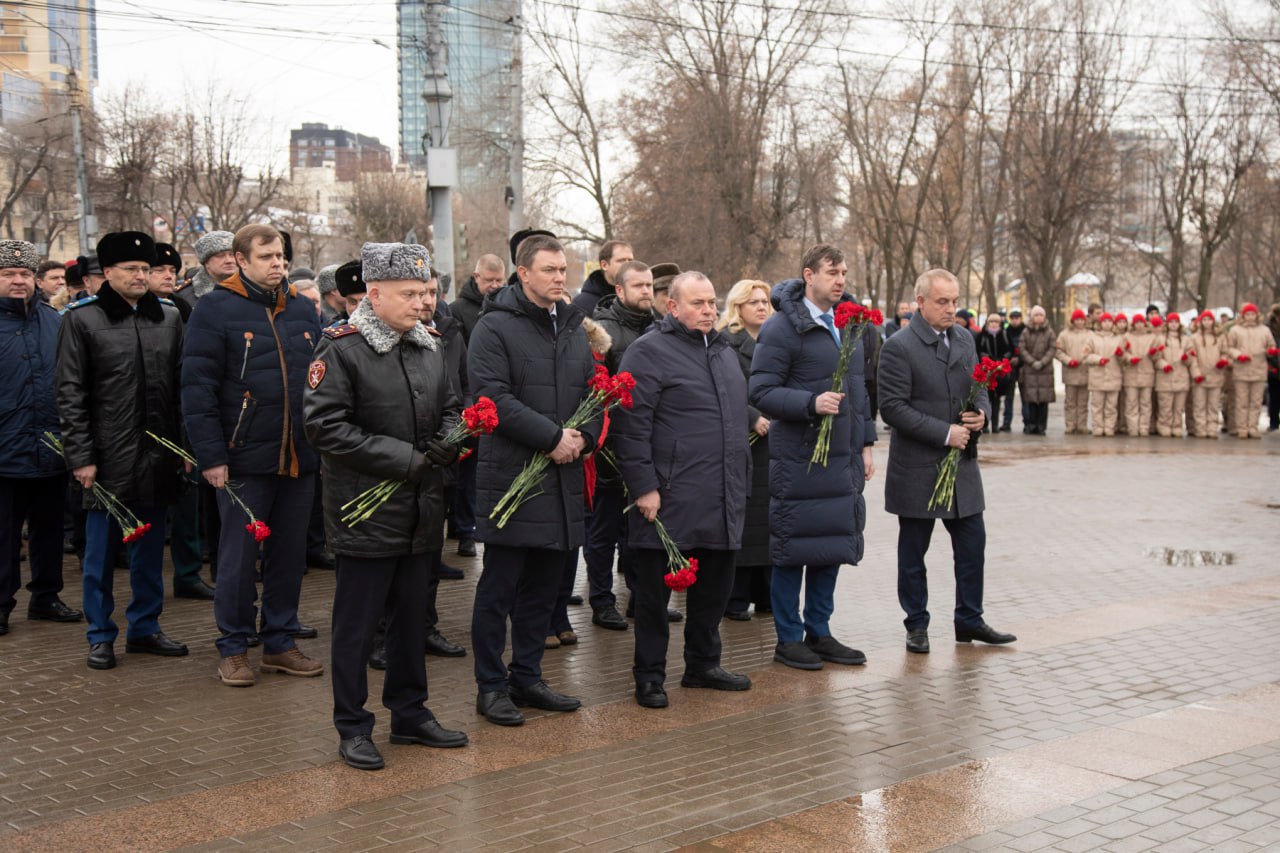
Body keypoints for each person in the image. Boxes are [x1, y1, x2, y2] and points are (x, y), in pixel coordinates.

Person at [304, 242, 467, 771]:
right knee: (358, 625)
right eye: (409, 293)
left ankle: (410, 713)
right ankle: (352, 725)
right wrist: (407, 459)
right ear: (373, 294)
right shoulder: (342, 347)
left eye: (425, 292)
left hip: (422, 509)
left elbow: (450, 405)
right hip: (365, 511)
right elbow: (326, 427)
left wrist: (449, 441)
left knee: (410, 620)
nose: (423, 303)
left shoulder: (430, 344)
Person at [467, 234, 601, 726]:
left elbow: (593, 390)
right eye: (549, 270)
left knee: (546, 590)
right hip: (512, 477)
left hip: (562, 476)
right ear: (523, 274)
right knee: (499, 589)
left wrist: (584, 437)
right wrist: (551, 437)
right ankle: (490, 685)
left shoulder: (570, 326)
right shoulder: (494, 327)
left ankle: (527, 675)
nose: (560, 278)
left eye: (563, 270)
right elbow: (490, 398)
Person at [181, 223, 323, 687]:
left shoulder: (303, 309)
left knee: (288, 553)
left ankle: (280, 642)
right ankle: (234, 647)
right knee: (239, 557)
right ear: (241, 260)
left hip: (299, 455)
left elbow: (321, 381)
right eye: (266, 256)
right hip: (242, 456)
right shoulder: (214, 308)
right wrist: (211, 456)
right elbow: (197, 389)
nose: (278, 263)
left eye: (281, 255)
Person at [613, 271, 752, 707]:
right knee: (655, 597)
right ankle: (650, 676)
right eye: (698, 303)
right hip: (669, 497)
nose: (709, 310)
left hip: (722, 494)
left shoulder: (724, 352)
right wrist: (644, 488)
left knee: (714, 588)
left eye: (712, 302)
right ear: (672, 306)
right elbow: (630, 429)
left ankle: (702, 664)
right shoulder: (647, 353)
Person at [56, 231, 189, 670]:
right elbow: (70, 393)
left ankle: (145, 628)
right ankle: (100, 635)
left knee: (150, 552)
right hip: (106, 456)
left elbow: (183, 386)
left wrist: (184, 447)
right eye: (130, 269)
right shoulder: (82, 320)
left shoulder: (168, 317)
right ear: (106, 273)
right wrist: (80, 456)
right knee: (99, 557)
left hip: (158, 453)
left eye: (145, 269)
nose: (139, 276)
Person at [750, 245, 875, 671]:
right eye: (832, 273)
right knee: (792, 548)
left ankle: (819, 632)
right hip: (800, 457)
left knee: (830, 543)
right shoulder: (782, 328)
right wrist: (809, 402)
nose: (840, 280)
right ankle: (788, 638)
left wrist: (867, 443)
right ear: (809, 275)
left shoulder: (849, 326)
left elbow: (860, 391)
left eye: (844, 272)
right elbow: (761, 391)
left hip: (842, 457)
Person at [877, 268, 1015, 655]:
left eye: (955, 301)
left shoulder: (964, 339)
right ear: (920, 302)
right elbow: (892, 408)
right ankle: (916, 624)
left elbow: (980, 387)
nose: (951, 309)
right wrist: (944, 432)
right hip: (919, 466)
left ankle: (969, 619)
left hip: (962, 466)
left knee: (973, 547)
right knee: (913, 553)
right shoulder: (899, 346)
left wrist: (982, 415)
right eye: (942, 301)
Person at [1, 240, 83, 637]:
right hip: (5, 450)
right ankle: (1, 603)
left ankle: (46, 596)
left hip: (52, 447)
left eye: (24, 275)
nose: (18, 281)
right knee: (3, 534)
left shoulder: (56, 321)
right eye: (8, 274)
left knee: (49, 528)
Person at [586, 260, 659, 630]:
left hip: (648, 445)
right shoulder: (604, 332)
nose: (647, 291)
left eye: (649, 285)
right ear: (619, 290)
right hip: (611, 447)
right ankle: (601, 600)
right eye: (639, 286)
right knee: (605, 529)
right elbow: (594, 390)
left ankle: (640, 597)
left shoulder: (661, 326)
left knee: (640, 530)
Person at [144, 242, 215, 601]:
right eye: (159, 270)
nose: (167, 276)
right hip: (139, 423)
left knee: (188, 501)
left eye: (172, 271)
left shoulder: (181, 310)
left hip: (179, 417)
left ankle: (187, 573)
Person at [717, 280, 774, 620]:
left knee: (769, 520)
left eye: (765, 301)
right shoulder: (726, 342)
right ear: (738, 307)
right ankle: (736, 598)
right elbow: (725, 388)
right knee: (745, 516)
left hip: (773, 441)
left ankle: (766, 596)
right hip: (742, 440)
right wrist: (752, 417)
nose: (762, 307)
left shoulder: (775, 340)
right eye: (753, 301)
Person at [1225, 303, 1277, 439]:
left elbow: (1271, 345)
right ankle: (1242, 428)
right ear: (1243, 316)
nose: (1250, 317)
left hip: (1258, 370)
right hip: (1241, 370)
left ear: (1256, 315)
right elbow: (1229, 347)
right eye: (1247, 314)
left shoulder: (1264, 330)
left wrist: (1271, 351)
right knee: (1241, 401)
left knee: (1255, 402)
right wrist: (1238, 355)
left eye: (1252, 314)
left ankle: (1252, 427)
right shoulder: (1235, 330)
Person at [173, 231, 235, 315]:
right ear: (206, 262)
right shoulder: (183, 296)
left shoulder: (251, 289)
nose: (229, 260)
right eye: (220, 255)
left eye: (232, 255)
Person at [1187, 310, 1227, 439]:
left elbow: (1225, 351)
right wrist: (1196, 373)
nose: (1207, 323)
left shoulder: (1220, 337)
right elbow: (1192, 358)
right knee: (1199, 405)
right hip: (1200, 377)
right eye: (1204, 320)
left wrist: (1223, 360)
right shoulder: (1194, 338)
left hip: (1216, 375)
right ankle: (1201, 429)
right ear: (1200, 322)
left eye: (1209, 320)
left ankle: (1212, 429)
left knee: (1213, 405)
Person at [1016, 306, 1055, 435]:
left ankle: (1041, 426)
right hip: (1030, 370)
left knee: (1043, 401)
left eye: (1041, 315)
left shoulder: (1049, 332)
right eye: (1036, 315)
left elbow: (1052, 348)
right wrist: (1032, 361)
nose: (1038, 317)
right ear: (1032, 317)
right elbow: (1022, 348)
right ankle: (1031, 425)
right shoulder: (1026, 332)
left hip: (1045, 371)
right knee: (1031, 400)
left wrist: (1042, 362)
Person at [451, 254, 506, 344]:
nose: (495, 285)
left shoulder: (511, 306)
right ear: (476, 277)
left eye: (499, 280)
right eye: (489, 280)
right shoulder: (456, 310)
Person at [1083, 312, 1123, 437]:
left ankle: (1109, 428)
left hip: (1113, 376)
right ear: (1100, 323)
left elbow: (1124, 360)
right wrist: (1098, 359)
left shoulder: (1119, 338)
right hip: (1097, 378)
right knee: (1097, 406)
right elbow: (1085, 356)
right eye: (1104, 321)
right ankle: (1098, 428)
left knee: (1111, 406)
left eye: (1110, 321)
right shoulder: (1092, 338)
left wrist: (1121, 354)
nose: (1107, 324)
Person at [1153, 313, 1191, 438]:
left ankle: (1177, 426)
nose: (1174, 324)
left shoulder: (1186, 339)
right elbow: (1155, 358)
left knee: (1178, 407)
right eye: (1171, 322)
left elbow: (1191, 358)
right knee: (1165, 406)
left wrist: (1187, 358)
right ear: (1167, 324)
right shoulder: (1160, 339)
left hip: (1181, 376)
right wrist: (1163, 364)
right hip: (1165, 377)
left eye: (1176, 322)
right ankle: (1164, 426)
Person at [572, 240, 634, 315]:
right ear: (604, 265)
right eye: (621, 260)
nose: (628, 265)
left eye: (630, 260)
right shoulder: (581, 305)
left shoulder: (638, 297)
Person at [975, 313, 1014, 433]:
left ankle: (995, 425)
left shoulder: (1005, 334)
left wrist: (1001, 361)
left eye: (996, 322)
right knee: (986, 399)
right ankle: (985, 424)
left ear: (1000, 323)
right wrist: (989, 360)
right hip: (986, 371)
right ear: (987, 323)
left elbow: (1010, 350)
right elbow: (978, 350)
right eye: (991, 322)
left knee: (997, 400)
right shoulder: (982, 335)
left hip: (1000, 371)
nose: (993, 324)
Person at [1055, 309, 1091, 434]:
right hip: (1070, 372)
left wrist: (1085, 359)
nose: (1079, 322)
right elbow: (1058, 351)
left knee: (1083, 402)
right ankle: (1070, 425)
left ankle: (1082, 425)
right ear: (1073, 321)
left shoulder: (1089, 335)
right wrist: (1068, 360)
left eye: (1081, 320)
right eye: (1077, 320)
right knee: (1070, 401)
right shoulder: (1064, 335)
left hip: (1085, 371)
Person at [1121, 314, 1156, 437]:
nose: (1139, 325)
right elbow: (1122, 353)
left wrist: (1154, 353)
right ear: (1133, 324)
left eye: (1141, 322)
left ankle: (1144, 428)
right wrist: (1130, 358)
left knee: (1146, 404)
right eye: (1137, 322)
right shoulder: (1127, 337)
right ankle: (1133, 429)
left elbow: (1157, 356)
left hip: (1147, 374)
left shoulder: (1152, 337)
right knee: (1131, 403)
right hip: (1131, 375)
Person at [1004, 309, 1026, 428]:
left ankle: (1027, 422)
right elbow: (1005, 348)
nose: (1015, 320)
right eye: (1013, 318)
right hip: (1010, 367)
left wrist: (1020, 358)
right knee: (1009, 396)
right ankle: (1007, 422)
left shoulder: (1026, 331)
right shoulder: (1006, 332)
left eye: (1017, 318)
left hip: (1023, 366)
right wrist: (1010, 358)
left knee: (1025, 396)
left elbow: (1028, 348)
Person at [1268, 304, 1280, 431]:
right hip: (1273, 367)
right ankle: (1273, 422)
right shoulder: (1269, 329)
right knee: (1274, 396)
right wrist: (1271, 364)